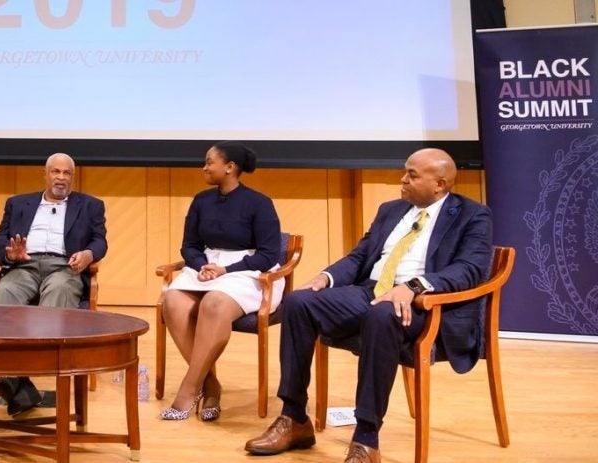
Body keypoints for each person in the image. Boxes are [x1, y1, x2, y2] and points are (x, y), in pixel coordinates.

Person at [244, 148, 493, 463]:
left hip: (422, 305)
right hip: (371, 292)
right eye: (405, 171)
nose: (402, 179)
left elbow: (469, 269)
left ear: (439, 185)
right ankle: (294, 418)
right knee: (298, 303)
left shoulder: (473, 214)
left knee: (382, 314)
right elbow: (360, 257)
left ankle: (366, 438)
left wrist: (413, 286)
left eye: (412, 175)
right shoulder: (391, 210)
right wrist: (326, 277)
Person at [159, 141, 283, 422]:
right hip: (207, 267)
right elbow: (189, 246)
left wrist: (226, 270)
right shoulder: (201, 200)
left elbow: (267, 254)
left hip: (248, 271)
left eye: (209, 162)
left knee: (214, 304)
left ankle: (188, 390)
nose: (204, 167)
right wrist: (203, 266)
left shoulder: (259, 203)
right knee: (172, 300)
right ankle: (209, 384)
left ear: (230, 168)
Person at [0, 152, 107, 416]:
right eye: (56, 172)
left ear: (72, 177)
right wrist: (9, 254)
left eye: (67, 174)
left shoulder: (90, 206)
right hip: (24, 266)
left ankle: (28, 373)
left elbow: (100, 241)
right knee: (5, 289)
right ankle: (21, 383)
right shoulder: (18, 204)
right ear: (45, 174)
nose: (61, 178)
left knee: (60, 290)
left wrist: (88, 255)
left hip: (64, 267)